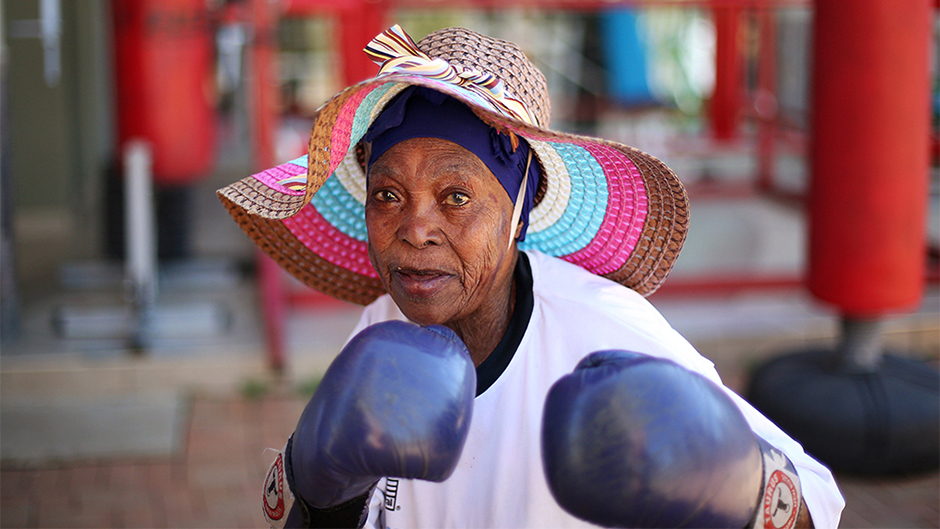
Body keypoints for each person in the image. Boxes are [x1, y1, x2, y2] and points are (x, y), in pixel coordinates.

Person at [219, 25, 845, 529]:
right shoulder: (382, 323)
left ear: (519, 212)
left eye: (456, 196)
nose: (414, 228)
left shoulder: (601, 329)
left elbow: (819, 502)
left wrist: (734, 481)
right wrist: (316, 484)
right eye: (386, 195)